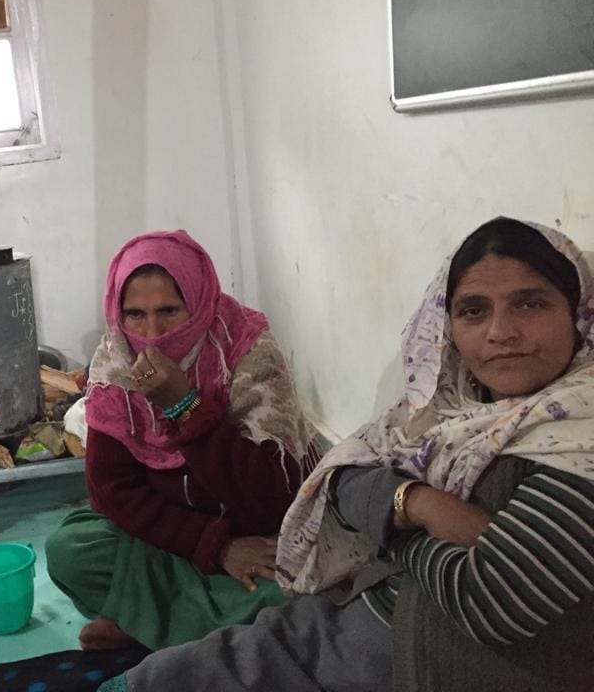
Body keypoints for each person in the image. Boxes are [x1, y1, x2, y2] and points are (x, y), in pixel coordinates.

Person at [96, 217, 594, 692]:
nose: (500, 332)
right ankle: (157, 611)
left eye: (530, 305)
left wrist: (185, 407)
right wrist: (415, 506)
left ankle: (144, 611)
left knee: (251, 628)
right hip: (351, 600)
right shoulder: (452, 400)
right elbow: (343, 478)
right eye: (473, 310)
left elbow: (276, 498)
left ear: (580, 313)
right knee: (80, 548)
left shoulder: (577, 440)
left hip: (416, 647)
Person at [45, 230, 320, 652]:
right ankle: (202, 632)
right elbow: (112, 493)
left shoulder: (246, 352)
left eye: (169, 311)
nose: (152, 332)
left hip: (258, 531)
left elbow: (273, 495)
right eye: (135, 314)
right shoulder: (117, 361)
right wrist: (216, 545)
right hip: (181, 541)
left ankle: (142, 623)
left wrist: (184, 407)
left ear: (199, 302)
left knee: (299, 587)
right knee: (71, 549)